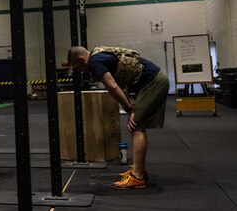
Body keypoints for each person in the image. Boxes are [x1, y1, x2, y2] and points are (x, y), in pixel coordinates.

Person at [65, 45, 169, 189]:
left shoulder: (95, 62)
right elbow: (120, 85)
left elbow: (112, 87)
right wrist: (130, 108)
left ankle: (137, 177)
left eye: (77, 67)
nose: (78, 71)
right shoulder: (98, 54)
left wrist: (129, 109)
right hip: (150, 82)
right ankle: (139, 171)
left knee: (137, 125)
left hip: (154, 83)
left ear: (82, 60)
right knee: (136, 125)